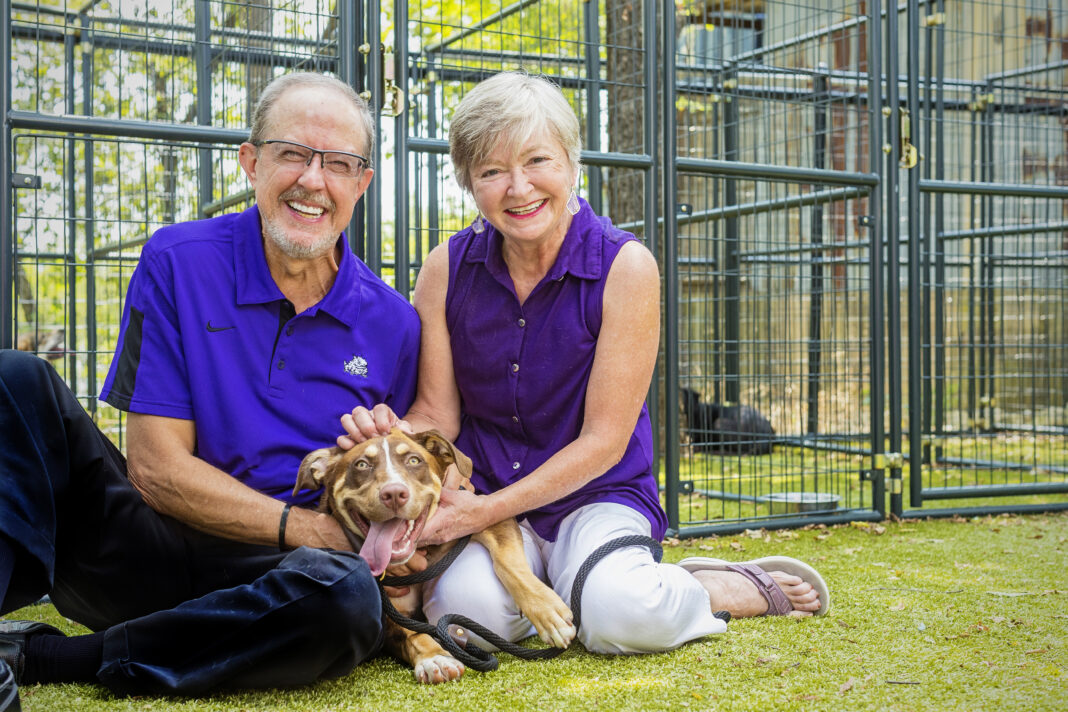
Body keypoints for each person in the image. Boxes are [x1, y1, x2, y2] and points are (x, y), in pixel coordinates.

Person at [342, 71, 829, 656]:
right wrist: (391, 436)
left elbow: (604, 440)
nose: (518, 188)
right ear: (470, 184)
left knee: (622, 618)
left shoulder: (625, 266)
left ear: (573, 162)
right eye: (492, 171)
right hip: (493, 500)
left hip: (595, 494)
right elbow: (437, 414)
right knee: (464, 624)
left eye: (537, 161)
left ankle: (713, 584)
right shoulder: (446, 267)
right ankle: (576, 583)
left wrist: (476, 511)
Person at [0, 71, 422, 705]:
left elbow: (407, 475)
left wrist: (389, 543)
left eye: (338, 163)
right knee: (15, 379)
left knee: (346, 594)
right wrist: (311, 529)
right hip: (150, 544)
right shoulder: (176, 260)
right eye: (293, 155)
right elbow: (155, 468)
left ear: (361, 184)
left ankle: (50, 657)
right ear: (251, 162)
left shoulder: (394, 323)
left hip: (285, 584)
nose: (313, 180)